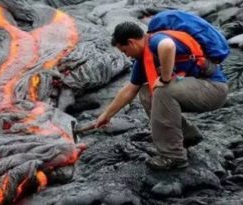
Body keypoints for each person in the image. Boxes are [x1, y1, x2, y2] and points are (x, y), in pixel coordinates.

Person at [87, 21, 228, 170]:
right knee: (146, 92)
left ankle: (173, 156)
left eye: (125, 51)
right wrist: (106, 115)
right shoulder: (143, 59)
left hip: (213, 89)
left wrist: (165, 78)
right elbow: (130, 89)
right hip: (195, 89)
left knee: (163, 89)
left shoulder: (155, 40)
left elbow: (168, 46)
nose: (127, 56)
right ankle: (187, 135)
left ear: (131, 42)